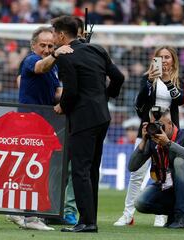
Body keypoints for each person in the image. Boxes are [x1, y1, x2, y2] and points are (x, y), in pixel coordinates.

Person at [52, 15, 124, 233]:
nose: (54, 37)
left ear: (62, 35)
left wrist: (62, 106)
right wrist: (105, 97)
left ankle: (87, 222)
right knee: (92, 169)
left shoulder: (66, 56)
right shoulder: (98, 50)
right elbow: (118, 77)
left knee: (80, 171)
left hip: (83, 119)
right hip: (102, 117)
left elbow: (71, 91)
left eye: (55, 34)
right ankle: (89, 219)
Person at [9, 26, 73, 231]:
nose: (46, 49)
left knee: (32, 168)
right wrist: (56, 53)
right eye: (43, 45)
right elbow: (39, 68)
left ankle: (17, 210)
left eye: (50, 45)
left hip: (44, 123)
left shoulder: (53, 67)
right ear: (34, 45)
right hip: (30, 122)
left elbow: (56, 92)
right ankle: (31, 217)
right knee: (35, 169)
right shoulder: (30, 60)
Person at [114, 46, 184, 227]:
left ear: (173, 60)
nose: (164, 60)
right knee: (137, 174)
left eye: (167, 57)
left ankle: (161, 214)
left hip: (169, 133)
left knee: (166, 174)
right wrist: (149, 83)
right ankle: (128, 214)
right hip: (147, 130)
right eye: (160, 57)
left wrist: (168, 81)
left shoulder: (177, 80)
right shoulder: (147, 78)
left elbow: (180, 100)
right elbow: (138, 104)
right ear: (155, 60)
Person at [130, 107, 184, 229]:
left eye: (160, 125)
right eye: (154, 125)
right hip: (166, 186)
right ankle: (174, 214)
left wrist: (168, 144)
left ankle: (181, 218)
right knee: (140, 203)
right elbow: (132, 167)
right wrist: (143, 141)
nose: (157, 129)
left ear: (170, 124)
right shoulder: (152, 140)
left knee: (179, 161)